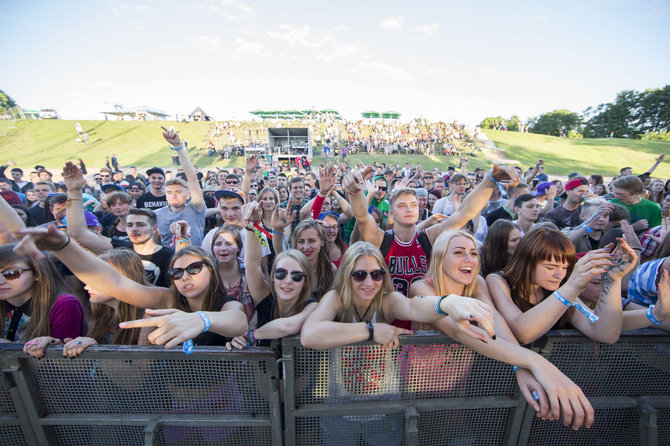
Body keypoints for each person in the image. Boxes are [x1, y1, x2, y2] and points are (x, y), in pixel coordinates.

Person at [299, 241, 498, 445]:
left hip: (384, 411)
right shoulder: (336, 299)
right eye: (360, 275)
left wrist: (445, 303)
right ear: (346, 274)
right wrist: (371, 330)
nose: (369, 282)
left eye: (376, 274)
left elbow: (413, 307)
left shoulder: (387, 300)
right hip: (339, 410)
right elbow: (309, 335)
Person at [410, 230, 596, 428]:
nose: (469, 259)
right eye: (458, 252)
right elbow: (457, 330)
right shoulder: (421, 287)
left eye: (474, 253)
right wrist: (537, 362)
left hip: (461, 378)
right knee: (424, 432)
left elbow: (495, 319)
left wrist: (520, 367)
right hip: (424, 383)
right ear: (439, 257)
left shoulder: (477, 283)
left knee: (453, 431)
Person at [14, 226, 248, 348]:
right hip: (173, 403)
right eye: (176, 272)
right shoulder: (168, 300)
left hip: (221, 398)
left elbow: (238, 321)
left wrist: (202, 320)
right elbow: (115, 283)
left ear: (211, 270)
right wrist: (64, 246)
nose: (185, 276)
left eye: (194, 268)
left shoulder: (226, 303)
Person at [487, 228, 636, 345]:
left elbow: (606, 334)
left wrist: (613, 278)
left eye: (565, 267)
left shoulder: (563, 290)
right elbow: (524, 333)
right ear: (526, 263)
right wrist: (571, 287)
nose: (560, 275)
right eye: (550, 267)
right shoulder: (498, 281)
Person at [226, 211, 319, 349]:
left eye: (297, 276)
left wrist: (252, 335)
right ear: (273, 277)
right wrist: (252, 226)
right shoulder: (265, 297)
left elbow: (286, 327)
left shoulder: (312, 307)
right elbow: (252, 265)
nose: (288, 281)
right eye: (281, 273)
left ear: (306, 281)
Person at [59, 250, 147, 357]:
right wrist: (54, 346)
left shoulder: (147, 319)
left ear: (124, 279)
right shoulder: (104, 314)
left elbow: (140, 372)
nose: (87, 286)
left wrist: (98, 350)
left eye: (97, 280)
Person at [0, 244, 85, 351]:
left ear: (37, 274)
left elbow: (65, 363)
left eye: (11, 273)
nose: (0, 281)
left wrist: (10, 348)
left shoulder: (63, 304)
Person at [155, 127, 206, 248]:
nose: (174, 195)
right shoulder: (156, 215)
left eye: (178, 191)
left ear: (188, 195)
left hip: (195, 258)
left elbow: (192, 179)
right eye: (169, 192)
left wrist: (178, 147)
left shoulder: (196, 209)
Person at [273, 216, 336, 299]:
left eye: (312, 241)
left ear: (322, 242)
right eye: (301, 241)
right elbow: (279, 250)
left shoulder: (331, 270)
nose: (306, 247)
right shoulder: (289, 268)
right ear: (295, 243)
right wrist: (277, 229)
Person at [126, 208, 174, 288]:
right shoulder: (122, 253)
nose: (134, 229)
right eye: (129, 225)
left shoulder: (169, 256)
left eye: (140, 225)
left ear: (154, 228)